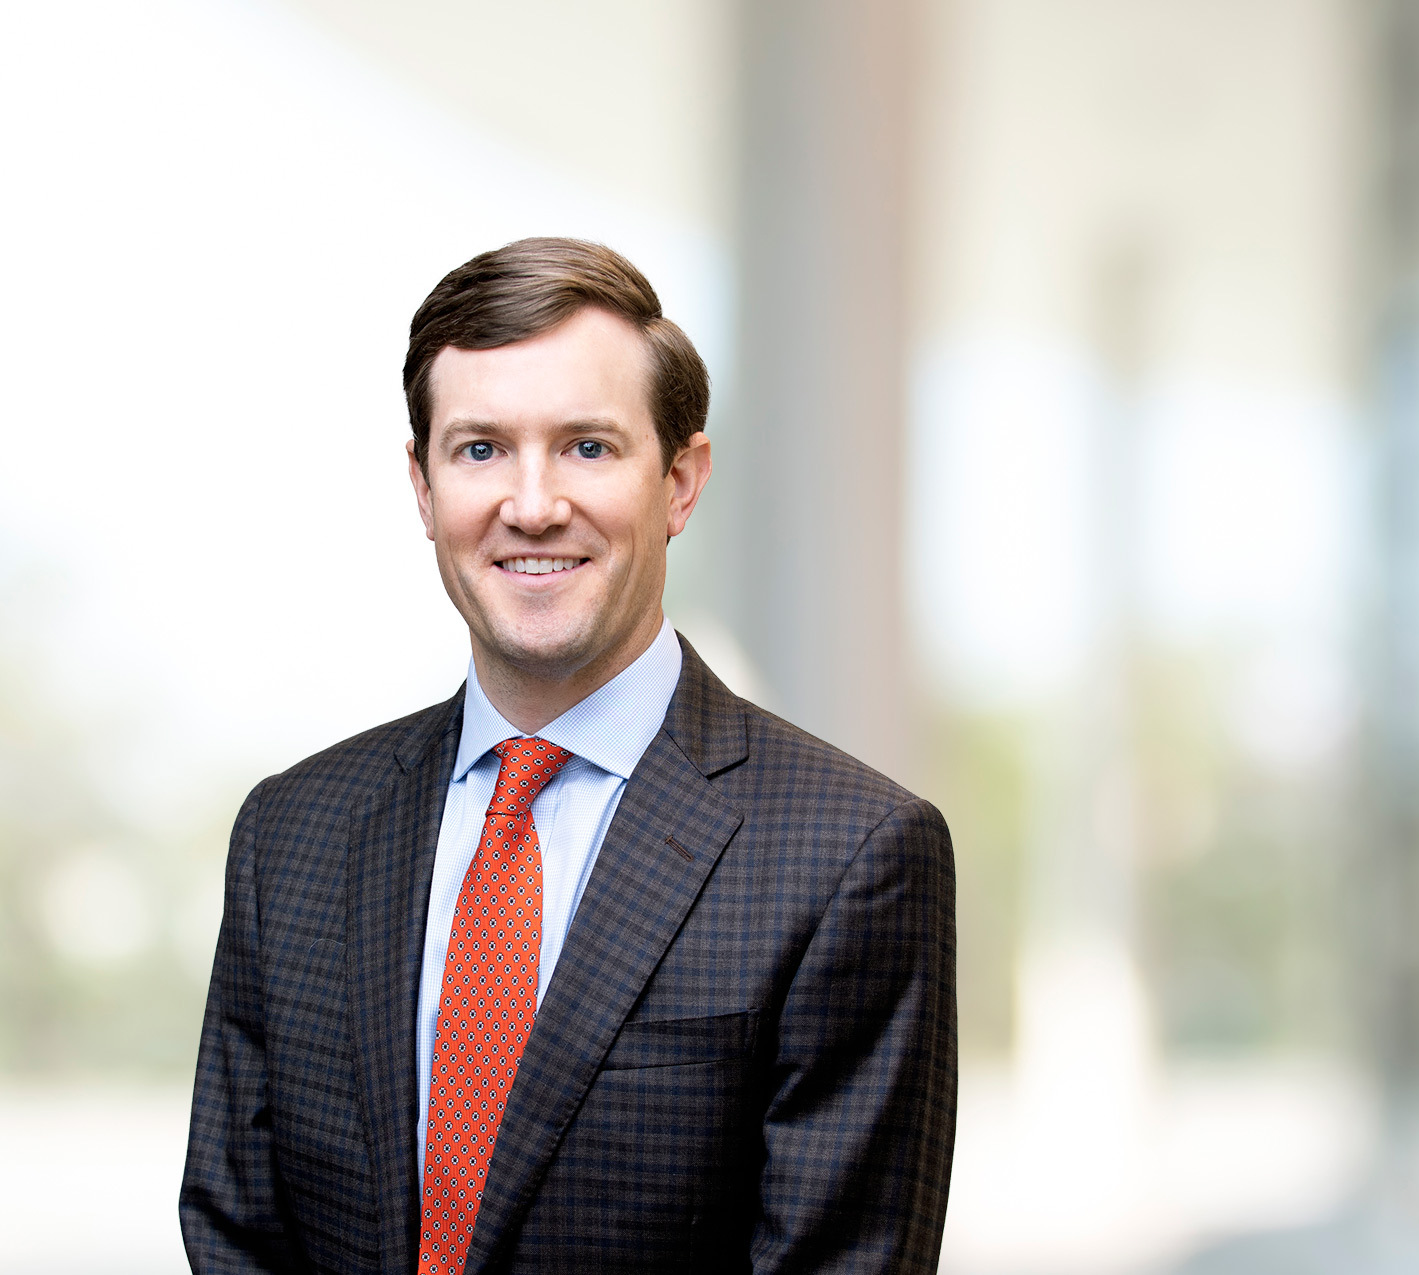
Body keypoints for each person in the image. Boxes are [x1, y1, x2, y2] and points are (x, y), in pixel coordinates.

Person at [180, 238, 957, 1274]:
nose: (534, 504)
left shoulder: (852, 856)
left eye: (588, 447)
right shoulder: (291, 837)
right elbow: (235, 1236)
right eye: (480, 450)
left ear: (680, 482)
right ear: (422, 487)